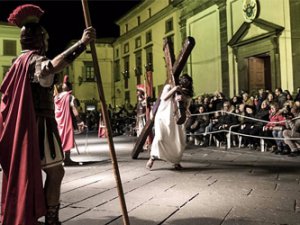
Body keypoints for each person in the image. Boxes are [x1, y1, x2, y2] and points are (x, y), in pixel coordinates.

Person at [0, 4, 96, 225]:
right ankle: (52, 219)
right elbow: (49, 68)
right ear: (38, 40)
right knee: (56, 173)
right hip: (39, 126)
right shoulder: (34, 61)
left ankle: (35, 213)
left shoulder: (17, 63)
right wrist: (81, 45)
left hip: (23, 127)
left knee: (32, 174)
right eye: (46, 39)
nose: (48, 43)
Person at [146, 74, 194, 170]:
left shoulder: (186, 93)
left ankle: (176, 161)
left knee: (177, 141)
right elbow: (164, 98)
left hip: (175, 118)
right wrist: (175, 89)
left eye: (187, 81)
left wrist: (183, 100)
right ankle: (152, 157)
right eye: (184, 80)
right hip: (163, 116)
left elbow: (186, 106)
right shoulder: (169, 87)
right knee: (159, 138)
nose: (185, 82)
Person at [54, 75, 85, 166]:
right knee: (67, 138)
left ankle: (60, 159)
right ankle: (67, 159)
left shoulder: (57, 97)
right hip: (66, 121)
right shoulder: (70, 96)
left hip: (57, 121)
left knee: (59, 139)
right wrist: (79, 120)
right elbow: (74, 109)